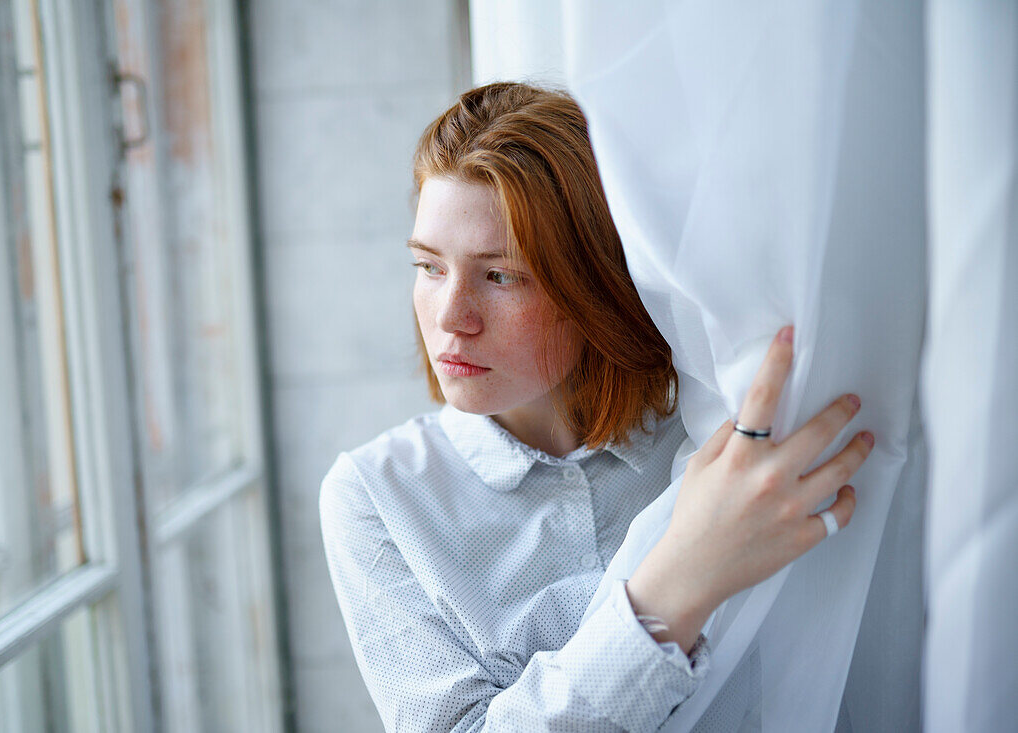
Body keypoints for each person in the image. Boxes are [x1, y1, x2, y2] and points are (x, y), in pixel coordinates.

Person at [319, 82, 873, 732]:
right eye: (429, 266)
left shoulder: (709, 433)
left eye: (500, 275)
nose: (450, 318)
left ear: (595, 283)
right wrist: (677, 584)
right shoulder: (378, 496)